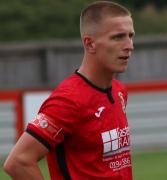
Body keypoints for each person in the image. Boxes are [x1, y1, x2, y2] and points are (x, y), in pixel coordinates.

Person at [4, 1, 135, 179]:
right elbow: (18, 161)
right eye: (118, 37)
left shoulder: (119, 91)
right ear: (90, 44)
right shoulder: (69, 100)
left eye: (130, 35)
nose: (129, 45)